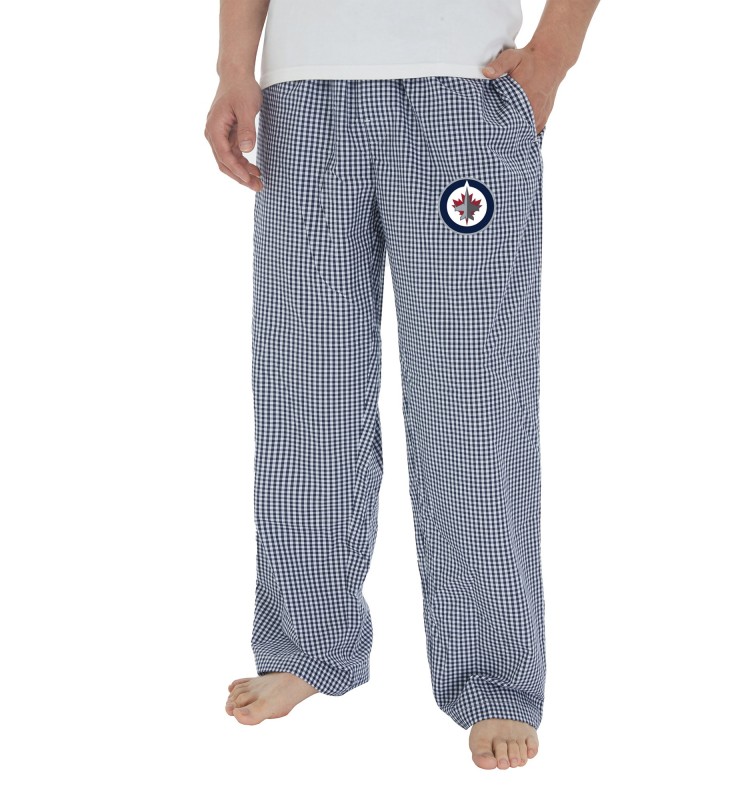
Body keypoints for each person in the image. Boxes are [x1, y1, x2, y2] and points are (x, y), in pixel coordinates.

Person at [206, 0, 600, 771]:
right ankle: (309, 644)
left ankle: (494, 676)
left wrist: (554, 54)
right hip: (303, 96)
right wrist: (232, 66)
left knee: (472, 404)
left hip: (463, 87)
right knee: (303, 392)